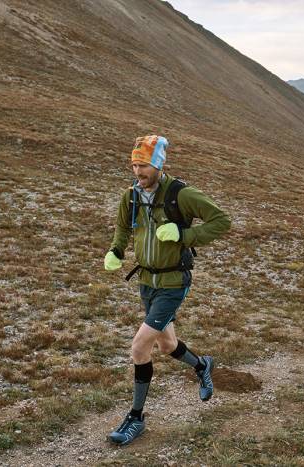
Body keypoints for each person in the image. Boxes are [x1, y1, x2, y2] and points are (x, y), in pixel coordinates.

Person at [104, 135, 231, 445]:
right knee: (166, 345)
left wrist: (184, 234)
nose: (137, 171)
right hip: (147, 281)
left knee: (139, 347)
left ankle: (135, 418)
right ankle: (202, 365)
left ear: (158, 164)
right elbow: (123, 225)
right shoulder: (131, 196)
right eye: (134, 164)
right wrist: (117, 250)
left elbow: (222, 221)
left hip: (174, 283)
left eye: (144, 164)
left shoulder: (181, 195)